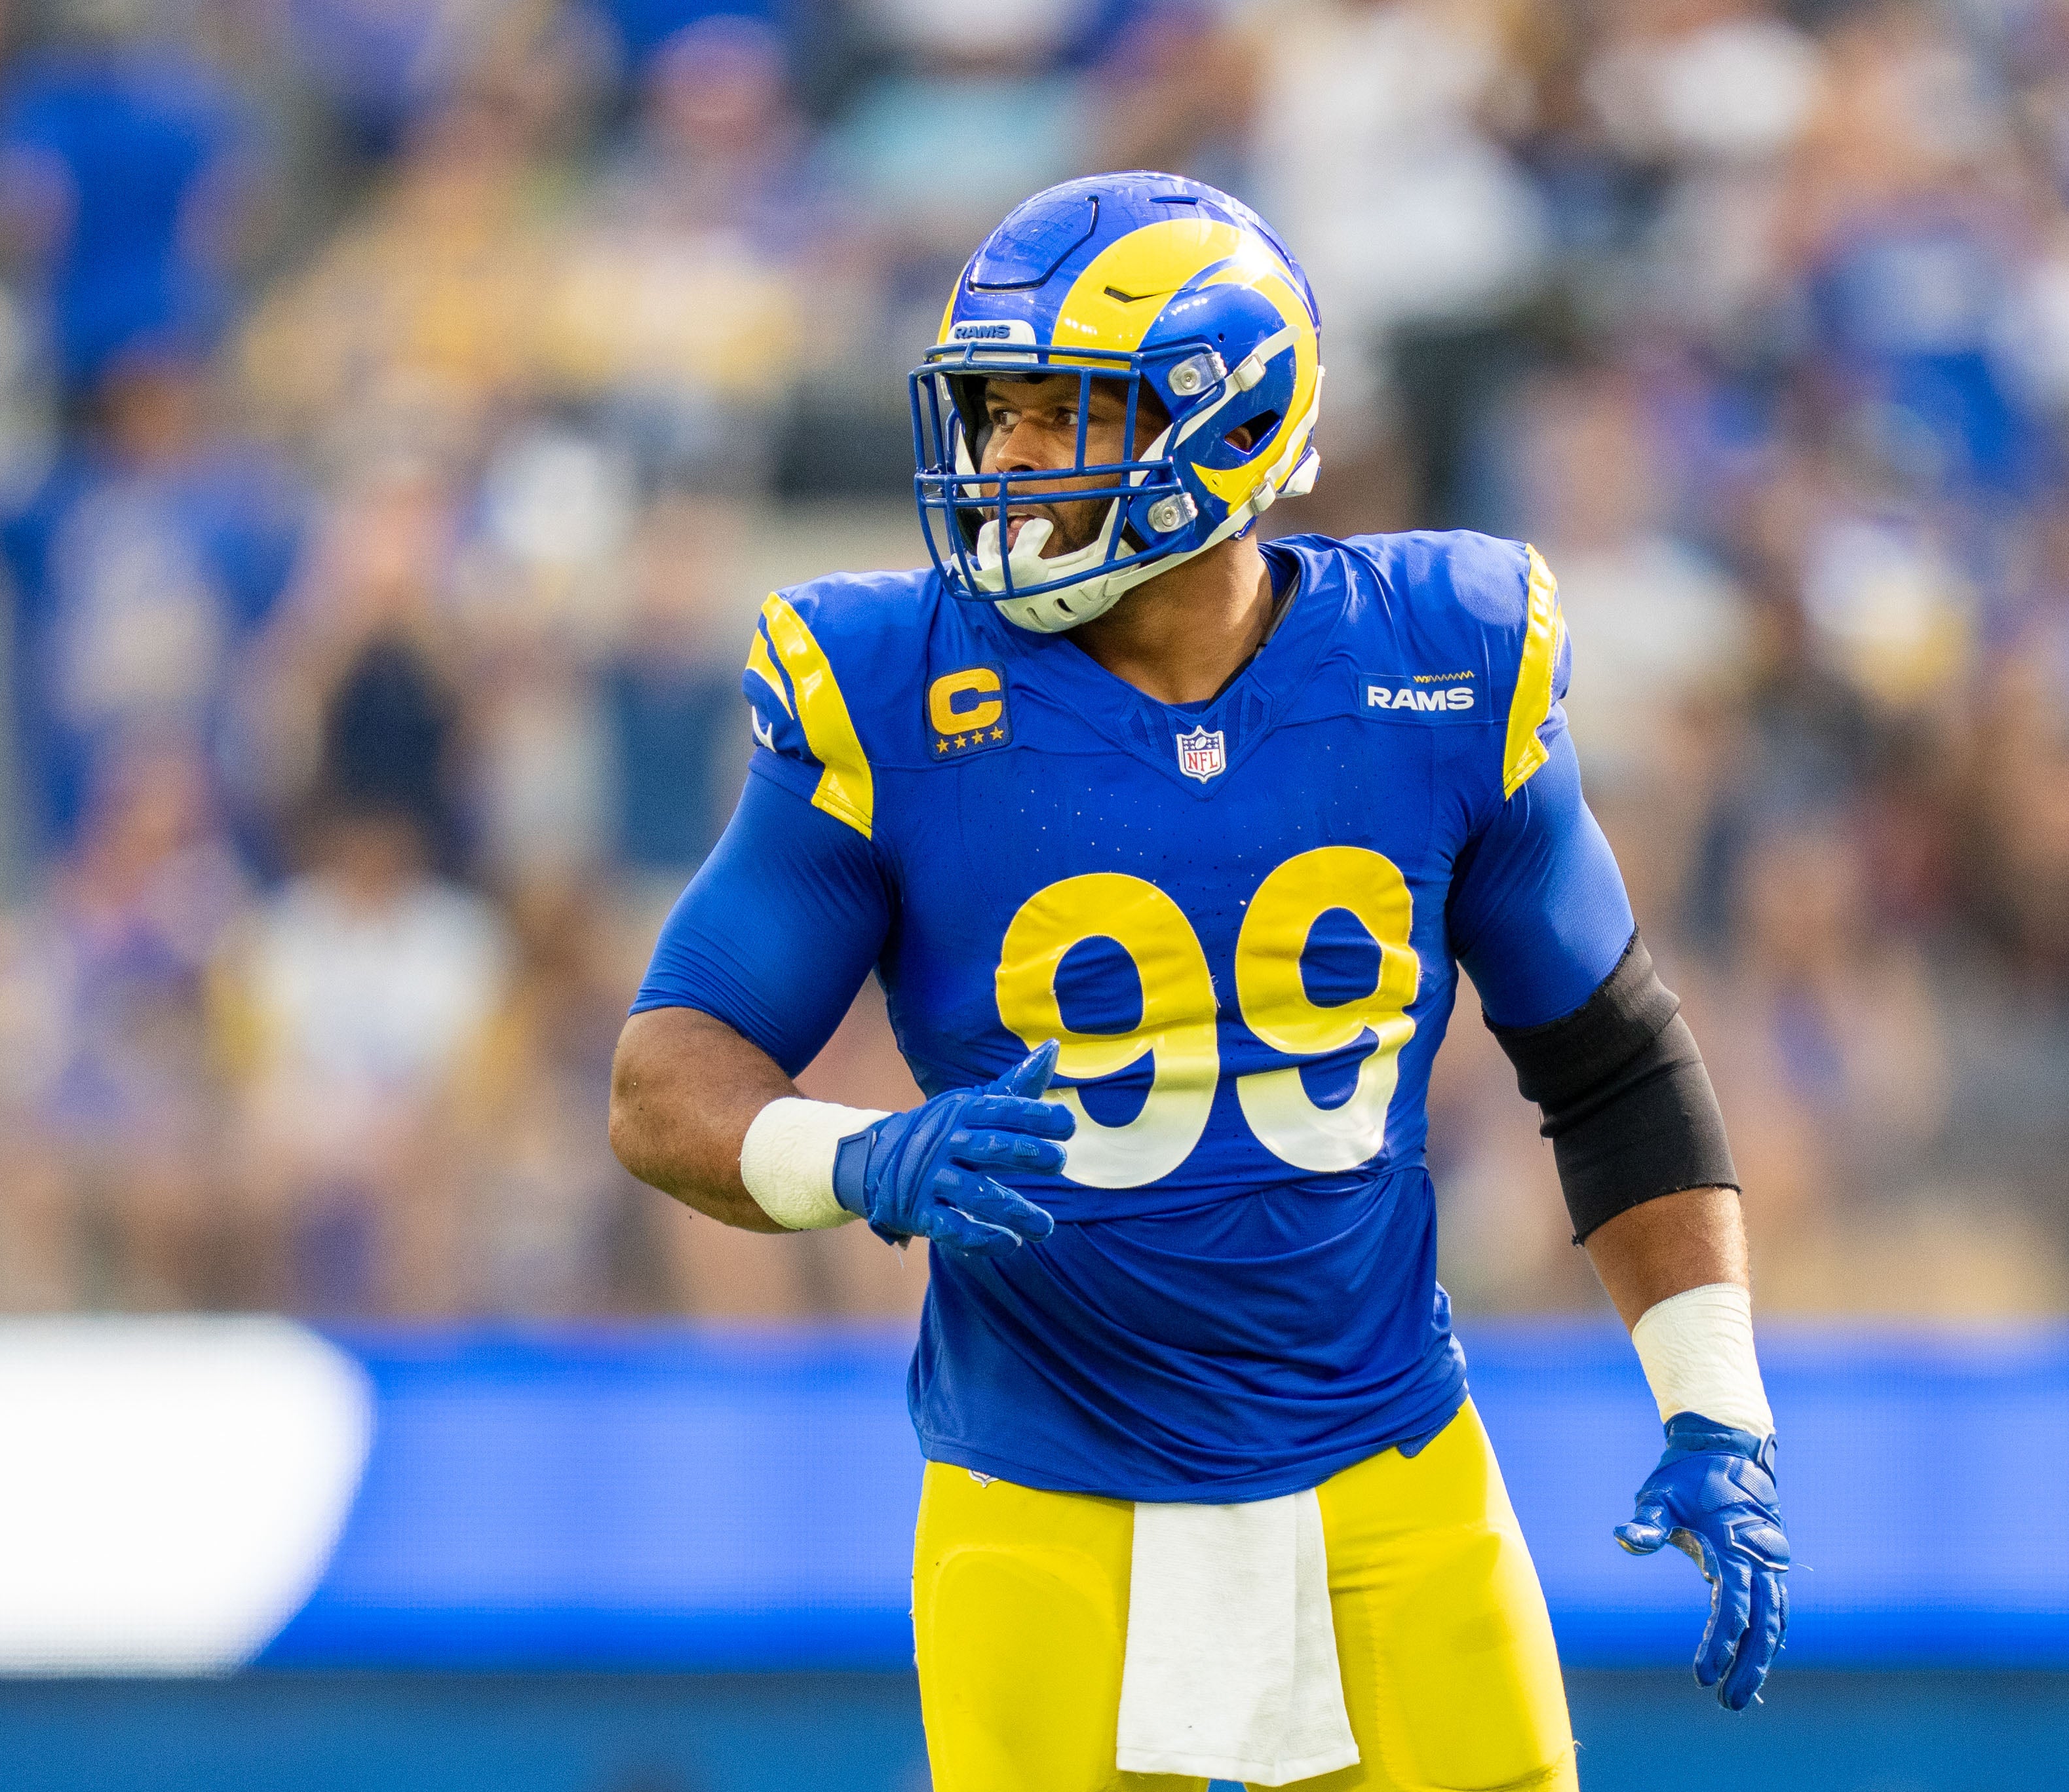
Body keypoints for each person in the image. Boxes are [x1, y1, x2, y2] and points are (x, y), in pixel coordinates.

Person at [609, 174, 1789, 1791]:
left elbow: (1607, 1062)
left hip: (1392, 1478)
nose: (1001, 463)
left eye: (1054, 416)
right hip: (1044, 1503)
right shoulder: (886, 688)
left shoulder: (1438, 659)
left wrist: (1712, 1405)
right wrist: (857, 1158)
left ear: (1214, 429)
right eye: (991, 416)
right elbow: (665, 1078)